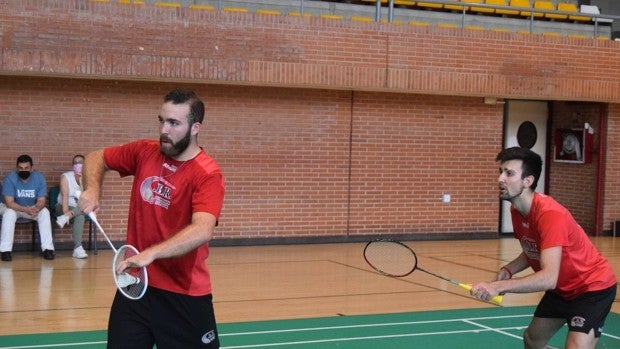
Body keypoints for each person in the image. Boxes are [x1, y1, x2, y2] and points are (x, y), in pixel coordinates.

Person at [79, 88, 225, 348]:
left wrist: (151, 253)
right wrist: (92, 188)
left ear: (195, 127)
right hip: (135, 286)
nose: (164, 130)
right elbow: (96, 157)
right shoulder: (145, 151)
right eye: (162, 121)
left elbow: (202, 229)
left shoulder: (208, 174)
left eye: (174, 123)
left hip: (183, 294)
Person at [471, 147, 616, 349]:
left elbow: (548, 278)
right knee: (532, 341)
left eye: (509, 173)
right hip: (562, 290)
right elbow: (535, 248)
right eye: (501, 172)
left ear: (528, 181)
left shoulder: (550, 214)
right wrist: (509, 269)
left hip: (591, 288)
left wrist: (497, 286)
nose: (501, 179)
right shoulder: (517, 210)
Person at [1, 154, 55, 261]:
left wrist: (36, 209)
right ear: (17, 168)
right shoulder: (10, 178)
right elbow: (9, 203)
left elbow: (41, 201)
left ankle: (48, 249)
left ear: (32, 168)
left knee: (44, 212)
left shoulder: (39, 178)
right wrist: (27, 210)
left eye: (26, 168)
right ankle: (5, 251)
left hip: (31, 208)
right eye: (20, 168)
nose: (23, 170)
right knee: (9, 213)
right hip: (12, 207)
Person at [55, 154, 88, 259]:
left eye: (80, 163)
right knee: (82, 212)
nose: (78, 165)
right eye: (75, 163)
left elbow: (85, 199)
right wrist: (66, 213)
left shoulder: (88, 178)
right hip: (62, 206)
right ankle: (78, 249)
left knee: (81, 214)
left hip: (78, 209)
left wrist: (82, 182)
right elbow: (64, 197)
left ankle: (77, 248)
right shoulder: (65, 177)